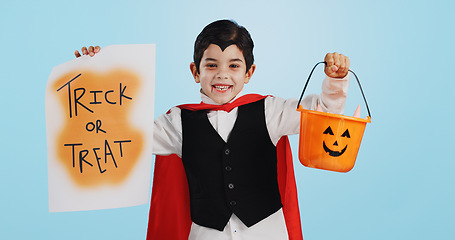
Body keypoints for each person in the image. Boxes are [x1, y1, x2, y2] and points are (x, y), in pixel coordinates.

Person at [76, 19, 350, 240]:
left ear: (249, 72)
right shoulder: (177, 122)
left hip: (267, 233)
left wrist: (335, 82)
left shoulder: (270, 111)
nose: (222, 74)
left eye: (234, 65)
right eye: (211, 65)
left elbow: (324, 116)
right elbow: (120, 134)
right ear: (196, 72)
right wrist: (97, 76)